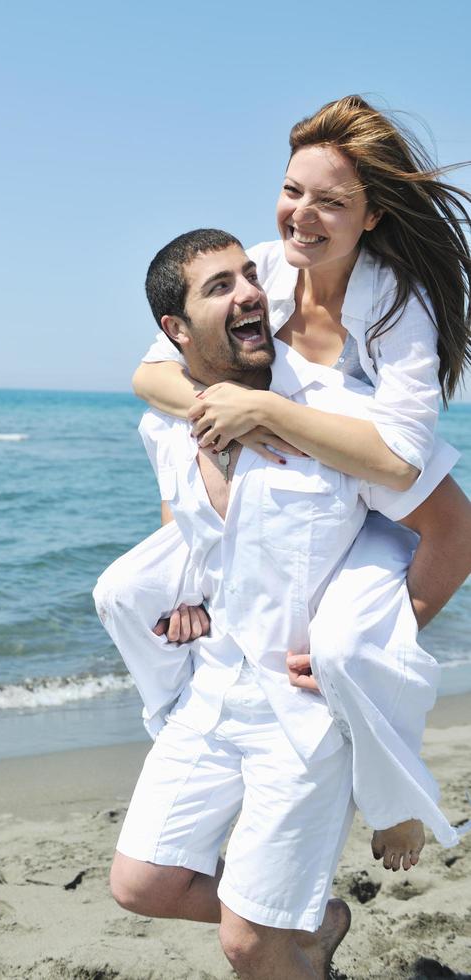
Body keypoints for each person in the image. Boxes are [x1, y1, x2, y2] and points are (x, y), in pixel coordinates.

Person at [95, 230, 469, 980]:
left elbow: (454, 535)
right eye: (220, 287)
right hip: (210, 690)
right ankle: (322, 920)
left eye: (248, 276)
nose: (251, 292)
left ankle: (282, 934)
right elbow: (185, 523)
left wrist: (365, 652)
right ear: (175, 331)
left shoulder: (338, 419)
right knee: (142, 883)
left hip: (301, 719)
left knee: (247, 942)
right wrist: (187, 596)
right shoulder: (165, 424)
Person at [129, 95, 471, 867]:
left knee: (352, 648)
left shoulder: (398, 307)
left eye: (331, 201)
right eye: (293, 190)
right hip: (305, 491)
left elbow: (398, 461)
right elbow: (151, 375)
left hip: (377, 503)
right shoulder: (265, 269)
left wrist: (265, 412)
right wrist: (228, 412)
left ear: (374, 215)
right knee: (125, 592)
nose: (300, 215)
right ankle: (181, 719)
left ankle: (398, 805)